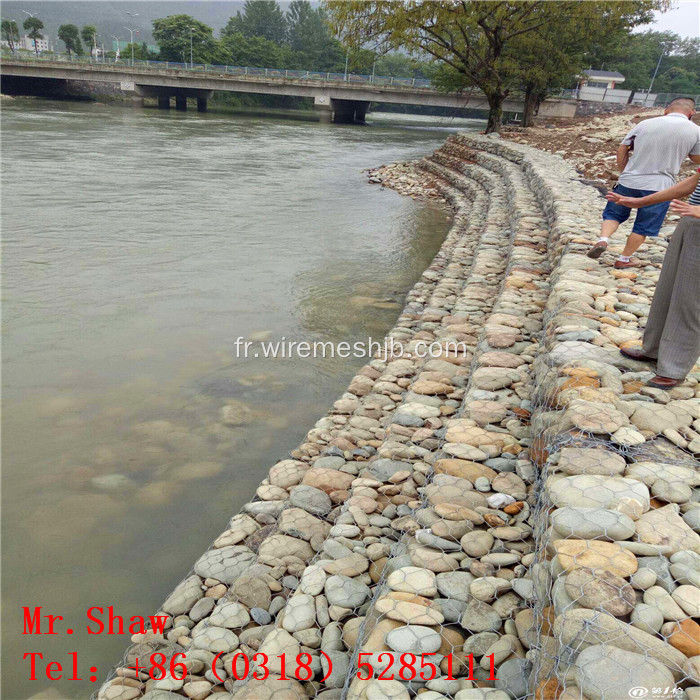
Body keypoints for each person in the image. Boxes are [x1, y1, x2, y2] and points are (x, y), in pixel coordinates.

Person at [606, 168, 700, 388]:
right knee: (667, 291)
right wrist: (642, 202)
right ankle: (655, 350)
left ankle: (674, 367)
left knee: (691, 301)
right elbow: (693, 182)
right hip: (690, 223)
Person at [588, 97, 700, 268]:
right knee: (643, 226)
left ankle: (603, 239)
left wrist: (624, 171)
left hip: (629, 180)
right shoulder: (695, 131)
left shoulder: (644, 124)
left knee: (613, 214)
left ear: (666, 110)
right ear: (692, 112)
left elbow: (623, 148)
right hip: (661, 187)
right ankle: (623, 259)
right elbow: (696, 159)